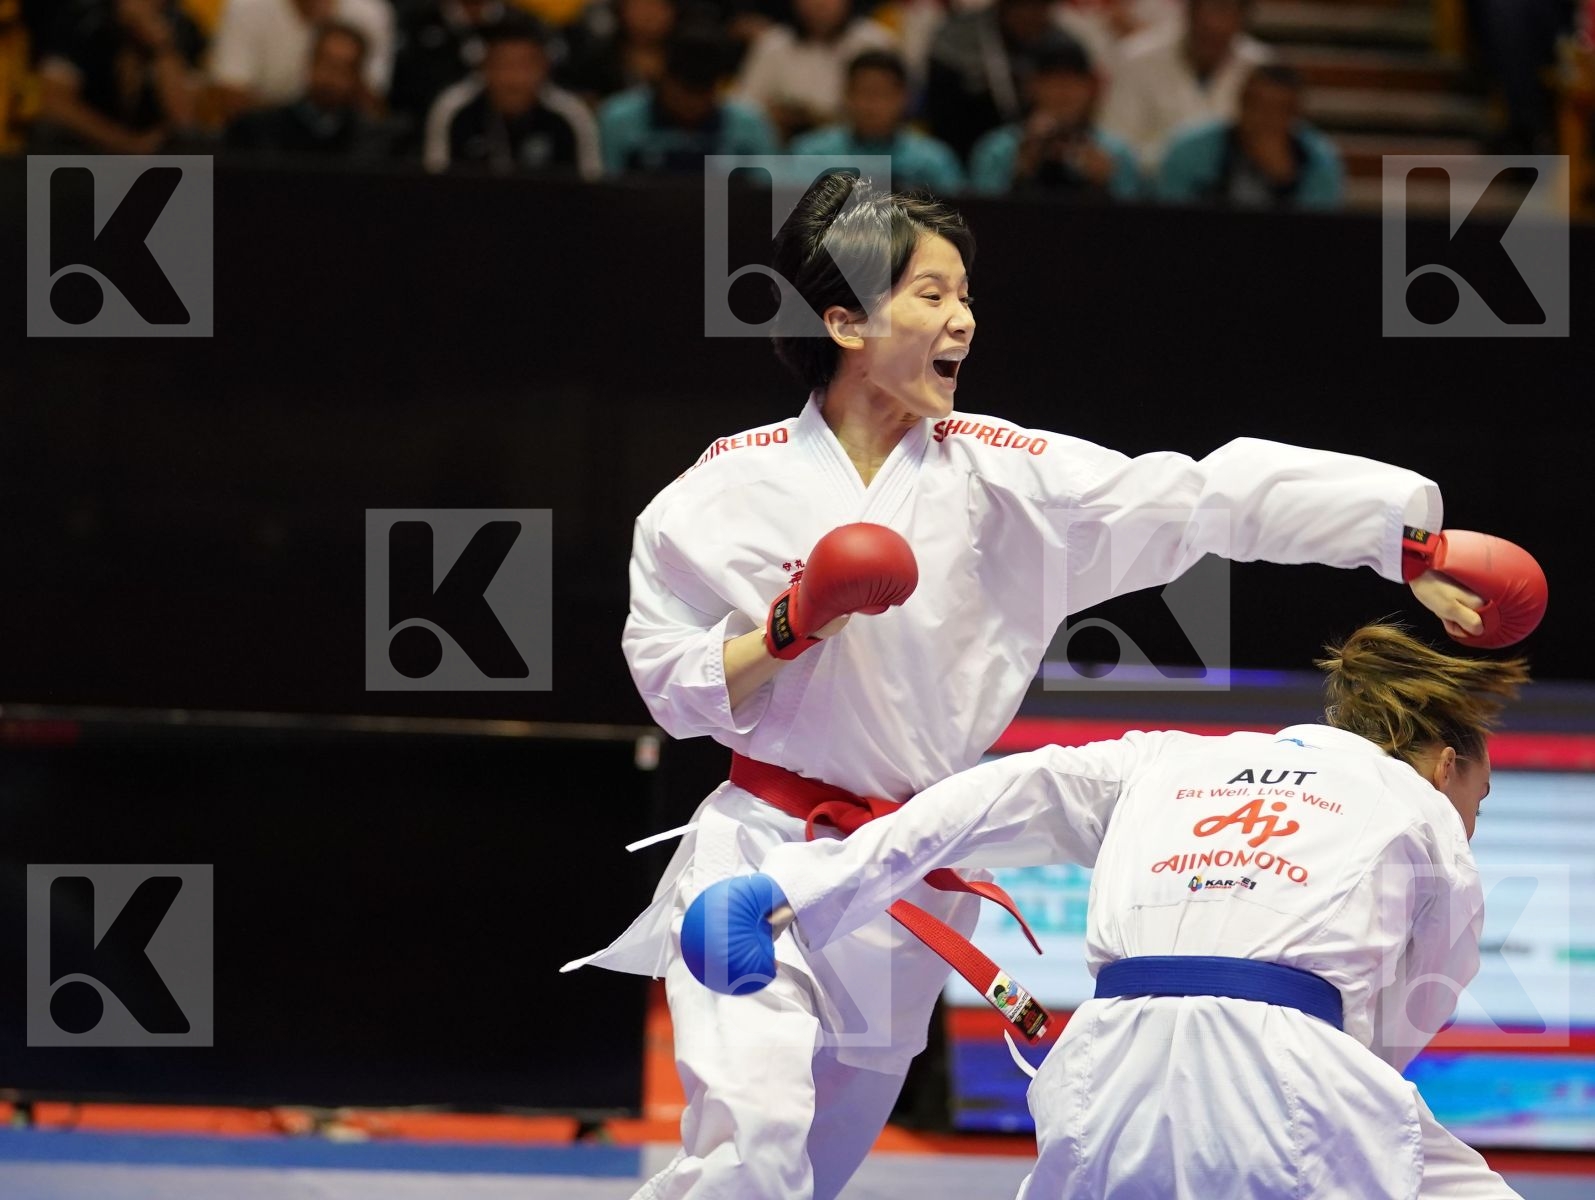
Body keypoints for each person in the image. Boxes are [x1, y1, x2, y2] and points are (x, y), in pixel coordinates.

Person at [560, 172, 1492, 1200]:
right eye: (928, 294)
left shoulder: (1007, 481)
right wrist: (792, 623)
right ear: (843, 319)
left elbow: (1194, 496)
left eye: (963, 295)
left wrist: (1398, 539)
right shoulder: (720, 491)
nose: (961, 318)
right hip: (761, 852)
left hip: (911, 868)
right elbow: (671, 688)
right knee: (749, 1144)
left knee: (811, 1171)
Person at [684, 620, 1535, 1197]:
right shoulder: (1420, 811)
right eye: (1480, 797)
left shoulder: (1164, 760)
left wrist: (794, 887)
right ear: (1442, 764)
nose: (1472, 817)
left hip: (1100, 1070)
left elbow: (979, 800)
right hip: (1299, 1073)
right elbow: (1400, 1024)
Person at [1100, 0, 1271, 173]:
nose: (1214, 24)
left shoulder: (1261, 68)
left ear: (1243, 19)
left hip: (1238, 190)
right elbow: (1116, 142)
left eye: (1226, 12)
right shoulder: (1136, 58)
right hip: (1151, 189)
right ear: (1189, 12)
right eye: (1207, 13)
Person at [423, 12, 600, 176]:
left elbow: (590, 187)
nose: (514, 79)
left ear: (545, 67)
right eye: (502, 65)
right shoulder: (453, 109)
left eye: (525, 66)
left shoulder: (570, 115)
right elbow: (435, 183)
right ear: (483, 66)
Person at [969, 34, 1141, 198]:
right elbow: (979, 215)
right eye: (1051, 82)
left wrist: (1106, 184)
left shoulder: (1115, 153)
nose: (1062, 92)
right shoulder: (997, 150)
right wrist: (1020, 169)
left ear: (1091, 87)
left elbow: (1140, 218)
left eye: (1072, 81)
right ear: (1031, 86)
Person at [1155, 63, 1343, 209]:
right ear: (1240, 100)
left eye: (1278, 109)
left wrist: (1285, 180)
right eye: (1256, 104)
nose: (1264, 118)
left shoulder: (1318, 161)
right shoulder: (1190, 149)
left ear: (1296, 114)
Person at [596, 26, 778, 176]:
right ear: (664, 80)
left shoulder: (750, 125)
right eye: (685, 91)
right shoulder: (618, 119)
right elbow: (606, 193)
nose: (693, 102)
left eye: (703, 92)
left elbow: (766, 200)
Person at [31, 0, 205, 154]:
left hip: (159, 171)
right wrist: (126, 144)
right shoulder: (81, 21)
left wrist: (160, 47)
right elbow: (53, 103)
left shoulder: (184, 27)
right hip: (79, 160)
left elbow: (185, 119)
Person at [786, 49, 965, 195]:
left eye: (882, 93)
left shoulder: (933, 160)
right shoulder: (811, 153)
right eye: (863, 92)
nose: (871, 105)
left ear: (904, 98)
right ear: (846, 95)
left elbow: (953, 223)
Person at [224, 21, 396, 161]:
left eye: (344, 69)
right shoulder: (257, 130)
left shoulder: (371, 143)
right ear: (309, 63)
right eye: (326, 63)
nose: (331, 78)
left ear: (357, 77)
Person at [731, 0, 895, 143]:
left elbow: (895, 104)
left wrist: (822, 120)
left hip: (859, 150)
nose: (819, 3)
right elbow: (745, 108)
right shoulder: (772, 43)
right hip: (783, 150)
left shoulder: (875, 42)